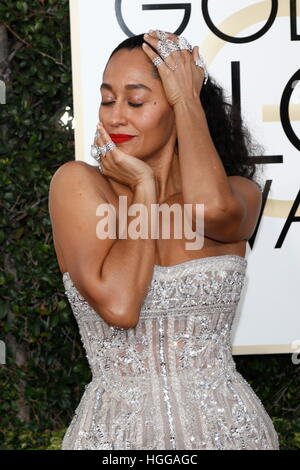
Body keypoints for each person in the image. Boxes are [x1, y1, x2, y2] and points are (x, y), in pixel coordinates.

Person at [48, 30, 280, 450]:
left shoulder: (239, 195)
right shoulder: (78, 186)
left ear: (178, 107)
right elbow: (120, 305)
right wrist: (144, 189)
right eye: (107, 99)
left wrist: (188, 98)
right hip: (115, 440)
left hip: (230, 434)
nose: (115, 116)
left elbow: (208, 210)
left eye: (135, 101)